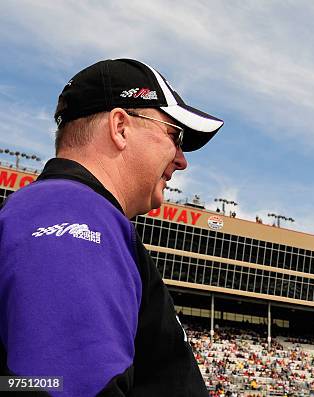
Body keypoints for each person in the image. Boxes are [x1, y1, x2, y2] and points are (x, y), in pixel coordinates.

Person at [0, 59, 224, 396]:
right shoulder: (72, 211)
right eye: (174, 136)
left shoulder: (70, 210)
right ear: (120, 127)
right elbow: (65, 385)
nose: (182, 159)